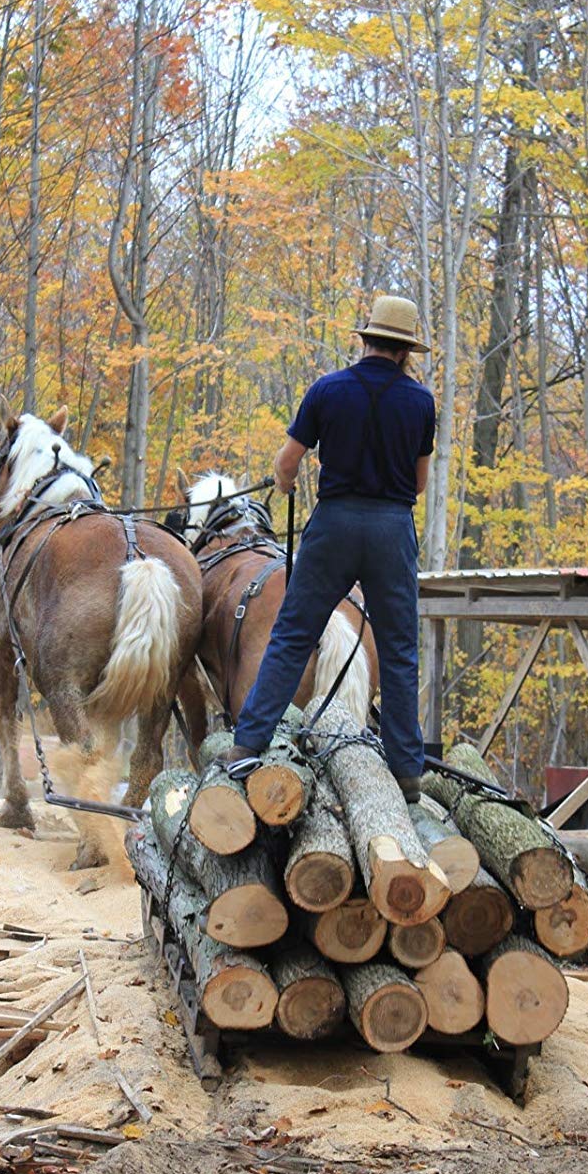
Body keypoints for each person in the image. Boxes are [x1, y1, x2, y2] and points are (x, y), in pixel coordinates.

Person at [222, 293, 436, 800]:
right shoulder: (421, 402)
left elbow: (288, 461)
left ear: (365, 340)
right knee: (400, 649)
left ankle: (246, 745)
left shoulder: (327, 390)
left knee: (294, 635)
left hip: (334, 523)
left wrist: (284, 483)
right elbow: (420, 483)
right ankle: (406, 771)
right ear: (406, 351)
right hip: (390, 528)